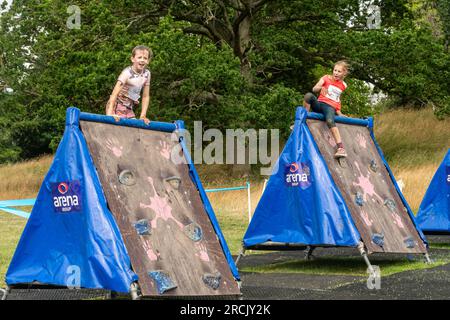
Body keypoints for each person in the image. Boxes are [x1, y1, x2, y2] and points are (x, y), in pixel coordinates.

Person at [303, 60, 350, 158]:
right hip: (319, 104)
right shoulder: (326, 78)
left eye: (339, 71)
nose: (336, 73)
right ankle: (303, 120)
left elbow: (337, 99)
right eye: (335, 70)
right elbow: (314, 89)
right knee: (308, 96)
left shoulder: (343, 85)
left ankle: (341, 148)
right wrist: (320, 87)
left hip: (330, 107)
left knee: (329, 120)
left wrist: (339, 112)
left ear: (344, 73)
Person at [106, 45, 152, 125]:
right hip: (116, 107)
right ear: (133, 59)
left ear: (148, 61)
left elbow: (145, 96)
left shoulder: (146, 74)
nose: (142, 60)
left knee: (135, 127)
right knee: (118, 129)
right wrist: (110, 113)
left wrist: (143, 116)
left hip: (129, 109)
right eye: (139, 57)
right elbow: (114, 94)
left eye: (145, 58)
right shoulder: (127, 73)